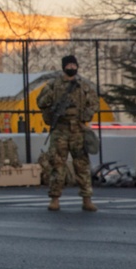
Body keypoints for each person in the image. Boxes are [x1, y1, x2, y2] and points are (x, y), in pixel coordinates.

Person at [37, 55, 99, 212]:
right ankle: (55, 199)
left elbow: (94, 103)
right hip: (60, 130)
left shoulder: (83, 86)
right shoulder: (53, 85)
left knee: (82, 165)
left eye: (74, 64)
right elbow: (40, 102)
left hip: (78, 130)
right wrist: (53, 99)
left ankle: (87, 199)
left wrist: (86, 115)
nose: (71, 67)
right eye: (69, 65)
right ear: (64, 66)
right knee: (57, 165)